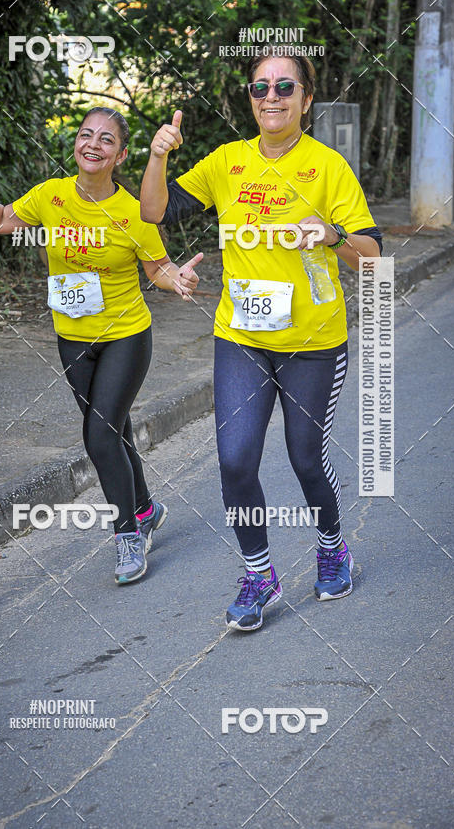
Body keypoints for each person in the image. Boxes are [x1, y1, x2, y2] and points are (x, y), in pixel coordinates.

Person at [140, 52, 382, 630]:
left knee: (305, 458)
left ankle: (331, 546)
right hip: (241, 336)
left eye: (284, 86)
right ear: (250, 98)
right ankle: (259, 573)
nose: (270, 96)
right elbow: (154, 210)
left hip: (314, 341)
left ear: (305, 99)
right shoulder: (228, 161)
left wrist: (334, 232)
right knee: (235, 459)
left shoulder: (327, 167)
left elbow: (372, 258)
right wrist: (156, 154)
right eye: (259, 87)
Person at [0, 106, 203, 585]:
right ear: (75, 145)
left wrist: (176, 278)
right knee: (113, 429)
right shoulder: (50, 196)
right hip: (72, 338)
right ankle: (145, 509)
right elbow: (0, 221)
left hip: (125, 335)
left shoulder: (134, 210)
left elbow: (158, 270)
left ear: (120, 155)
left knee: (99, 434)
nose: (92, 145)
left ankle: (127, 536)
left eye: (105, 140)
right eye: (85, 135)